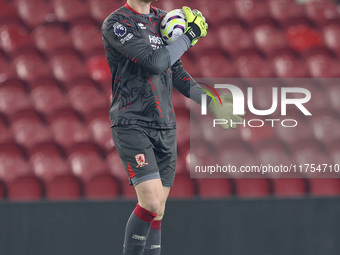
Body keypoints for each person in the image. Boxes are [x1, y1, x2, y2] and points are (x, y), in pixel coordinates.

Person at [101, 1, 243, 254]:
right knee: (151, 201)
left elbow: (174, 71)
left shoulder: (164, 20)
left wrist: (211, 103)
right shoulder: (118, 23)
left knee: (159, 209)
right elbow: (153, 62)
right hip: (132, 121)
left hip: (165, 125)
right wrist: (188, 37)